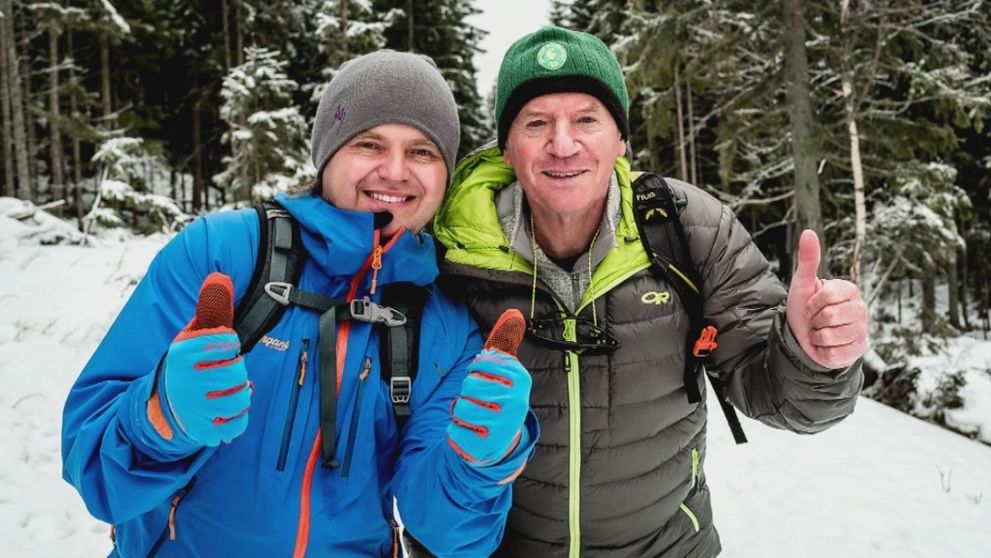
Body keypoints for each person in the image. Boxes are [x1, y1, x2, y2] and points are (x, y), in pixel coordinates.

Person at [61, 50, 537, 558]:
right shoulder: (223, 255)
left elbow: (449, 535)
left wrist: (481, 461)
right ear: (328, 155)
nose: (395, 171)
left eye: (422, 152)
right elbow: (94, 473)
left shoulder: (443, 323)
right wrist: (163, 416)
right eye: (369, 143)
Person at [432, 27, 868, 557]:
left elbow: (779, 397)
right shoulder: (451, 249)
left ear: (620, 139)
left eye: (587, 119)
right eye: (537, 122)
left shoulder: (690, 228)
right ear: (506, 145)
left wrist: (811, 356)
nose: (563, 144)